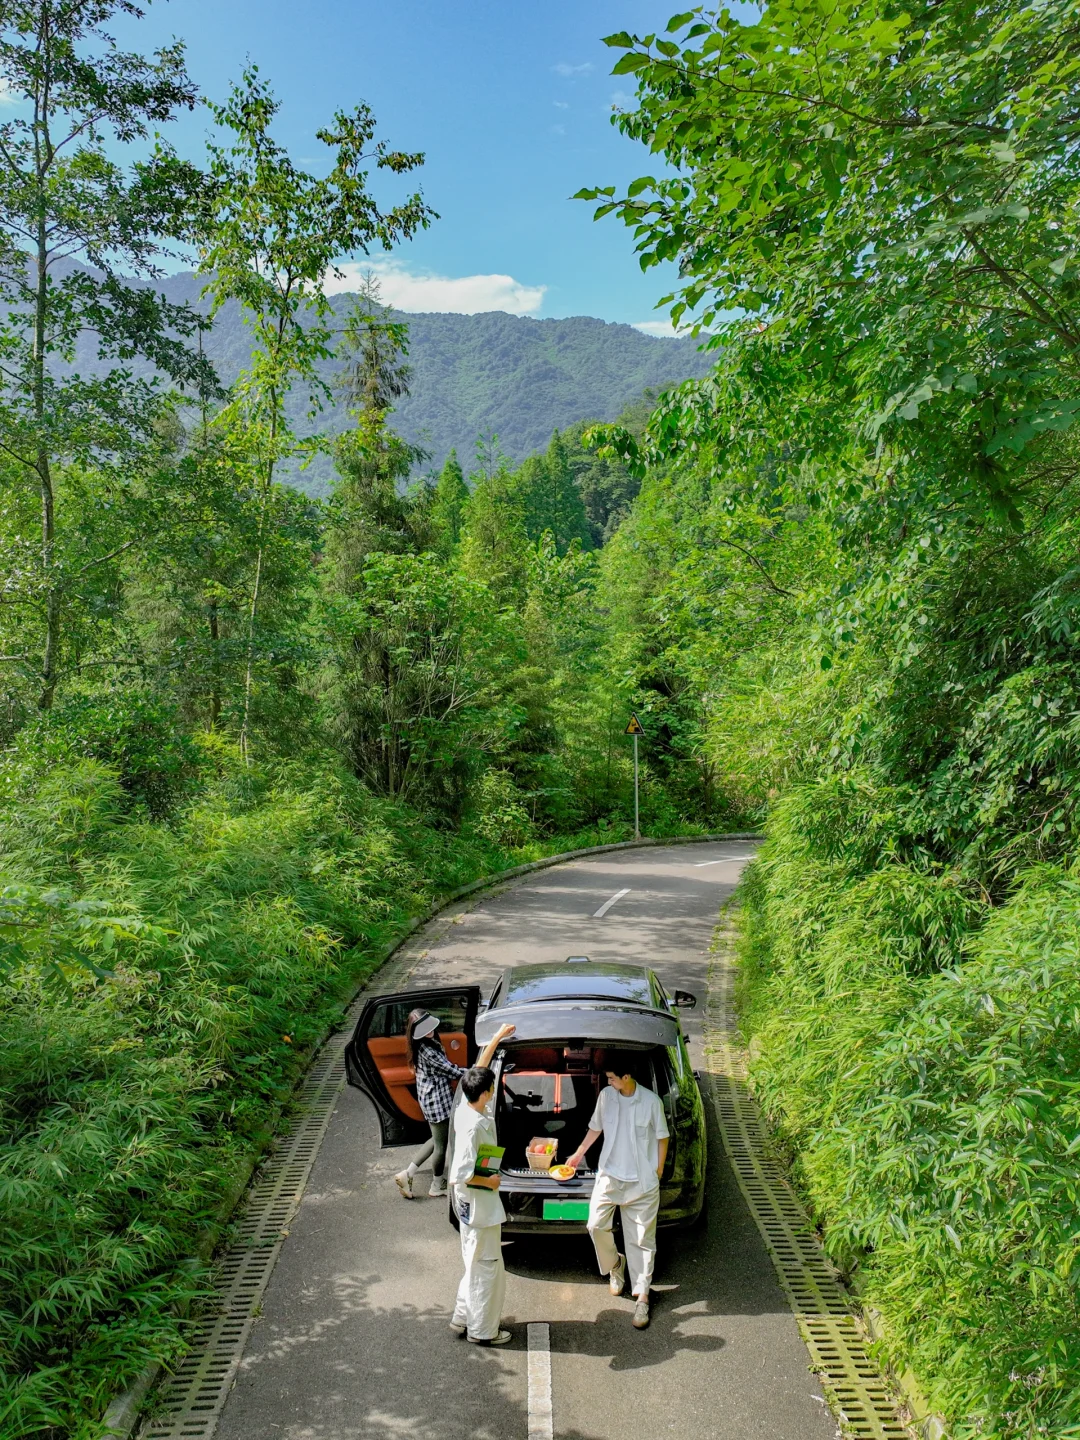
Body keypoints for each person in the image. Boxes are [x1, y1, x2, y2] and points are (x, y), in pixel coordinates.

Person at [566, 1051, 670, 1331]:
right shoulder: (606, 1097)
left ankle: (643, 1296)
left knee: (642, 1240)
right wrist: (578, 1154)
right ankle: (615, 1265)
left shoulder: (651, 1102)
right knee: (595, 1225)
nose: (609, 1082)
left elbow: (663, 1137)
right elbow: (595, 1128)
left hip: (642, 1182)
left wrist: (658, 1171)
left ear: (627, 1077)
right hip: (609, 1176)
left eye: (612, 1078)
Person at [394, 1011, 513, 1199]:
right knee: (441, 1145)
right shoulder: (427, 1050)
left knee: (437, 1139)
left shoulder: (425, 1044)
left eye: (430, 1027)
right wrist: (476, 1074)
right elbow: (453, 1071)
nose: (429, 1031)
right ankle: (437, 1184)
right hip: (437, 1101)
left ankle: (408, 1173)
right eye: (424, 1029)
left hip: (434, 1098)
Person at [448, 1064, 513, 1345]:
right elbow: (460, 1174)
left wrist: (495, 1041)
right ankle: (483, 1331)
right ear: (486, 1093)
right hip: (478, 1207)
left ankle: (462, 1317)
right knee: (486, 1269)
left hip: (469, 1207)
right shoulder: (473, 1126)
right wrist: (490, 1182)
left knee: (474, 1263)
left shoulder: (464, 1109)